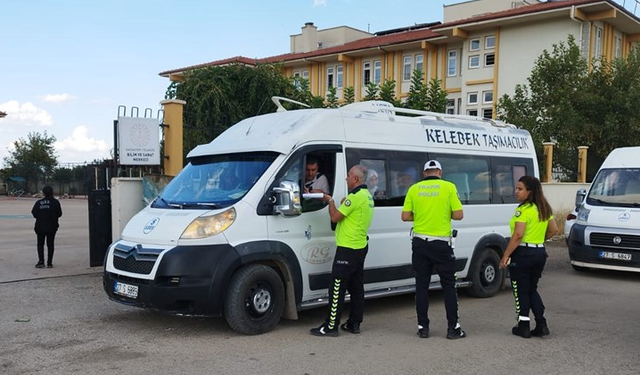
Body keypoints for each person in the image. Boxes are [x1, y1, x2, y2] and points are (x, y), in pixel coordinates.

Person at [401, 160, 466, 340]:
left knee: (421, 286)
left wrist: (420, 215)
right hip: (441, 244)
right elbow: (459, 215)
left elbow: (405, 216)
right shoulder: (449, 187)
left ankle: (423, 327)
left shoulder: (414, 189)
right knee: (448, 286)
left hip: (420, 243)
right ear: (439, 171)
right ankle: (453, 328)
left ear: (424, 173)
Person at [310, 164, 374, 337]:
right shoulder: (367, 195)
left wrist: (329, 201)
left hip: (348, 249)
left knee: (337, 288)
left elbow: (335, 217)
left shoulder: (354, 197)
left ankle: (331, 326)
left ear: (355, 179)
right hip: (359, 246)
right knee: (356, 287)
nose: (346, 178)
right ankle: (354, 323)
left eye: (348, 175)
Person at [499, 175, 558, 338]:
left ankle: (523, 326)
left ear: (530, 191)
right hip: (539, 253)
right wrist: (539, 241)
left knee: (520, 291)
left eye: (520, 189)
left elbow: (518, 235)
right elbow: (554, 230)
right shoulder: (544, 208)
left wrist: (505, 255)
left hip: (523, 254)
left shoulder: (523, 210)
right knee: (532, 289)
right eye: (516, 188)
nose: (516, 191)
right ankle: (541, 324)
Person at [31, 185, 63, 268]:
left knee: (40, 244)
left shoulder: (39, 202)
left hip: (40, 226)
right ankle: (49, 262)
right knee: (50, 244)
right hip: (52, 226)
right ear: (52, 192)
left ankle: (41, 261)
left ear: (44, 193)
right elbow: (59, 214)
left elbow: (34, 213)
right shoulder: (55, 202)